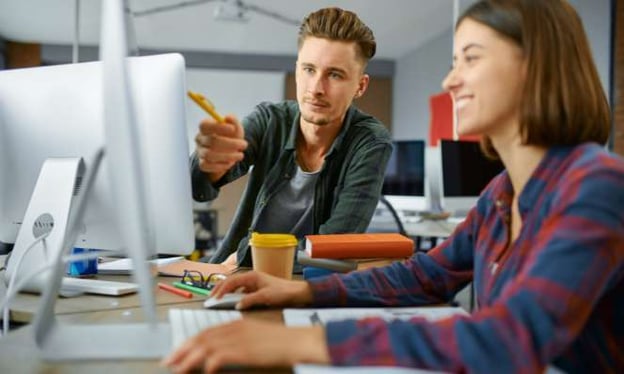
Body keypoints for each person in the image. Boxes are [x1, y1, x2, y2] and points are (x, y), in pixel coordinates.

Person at [164, 1, 624, 373]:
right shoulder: (504, 194)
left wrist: (305, 339)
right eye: (452, 61)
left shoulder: (598, 187)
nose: (450, 79)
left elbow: (509, 340)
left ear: (536, 69)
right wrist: (303, 293)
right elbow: (426, 276)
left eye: (471, 58)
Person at [191, 7, 392, 267]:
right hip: (234, 273)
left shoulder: (371, 142)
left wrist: (246, 255)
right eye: (309, 69)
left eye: (334, 75)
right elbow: (198, 188)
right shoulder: (269, 120)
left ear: (360, 86)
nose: (316, 89)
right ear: (297, 71)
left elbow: (338, 243)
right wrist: (208, 166)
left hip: (308, 285)